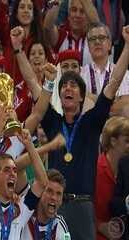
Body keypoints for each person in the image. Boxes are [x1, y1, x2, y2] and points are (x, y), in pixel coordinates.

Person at [38, 25, 129, 240]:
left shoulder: (91, 121)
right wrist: (17, 51)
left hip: (84, 206)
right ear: (59, 95)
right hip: (55, 204)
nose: (68, 89)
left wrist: (127, 46)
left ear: (82, 96)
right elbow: (36, 93)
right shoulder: (52, 122)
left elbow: (114, 83)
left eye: (73, 85)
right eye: (64, 86)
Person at [0, 107, 48, 239]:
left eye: (15, 170)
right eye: (7, 170)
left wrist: (29, 145)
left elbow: (43, 183)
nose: (13, 174)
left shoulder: (21, 208)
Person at [95, 117, 129, 240]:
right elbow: (78, 211)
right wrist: (100, 226)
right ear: (113, 141)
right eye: (127, 141)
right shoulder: (94, 171)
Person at [43, 0, 100, 66]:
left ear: (88, 15)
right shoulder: (61, 35)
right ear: (68, 14)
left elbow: (96, 24)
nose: (77, 15)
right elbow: (47, 27)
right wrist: (56, 3)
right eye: (74, 10)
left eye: (82, 11)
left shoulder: (93, 37)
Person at [81, 22, 129, 98]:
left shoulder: (126, 75)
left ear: (109, 44)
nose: (97, 42)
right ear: (88, 47)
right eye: (92, 39)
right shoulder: (80, 74)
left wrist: (91, 99)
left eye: (101, 37)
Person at [22, 169, 71, 240]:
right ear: (40, 193)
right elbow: (20, 171)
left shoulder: (60, 224)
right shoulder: (25, 218)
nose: (54, 197)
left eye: (58, 194)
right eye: (49, 191)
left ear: (61, 201)